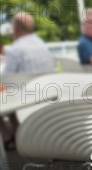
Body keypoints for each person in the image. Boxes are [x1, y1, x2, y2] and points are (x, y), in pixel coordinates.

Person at [1, 12, 53, 149]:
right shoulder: (42, 45)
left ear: (16, 29)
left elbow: (6, 78)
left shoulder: (16, 49)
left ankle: (6, 137)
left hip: (25, 98)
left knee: (3, 91)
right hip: (46, 93)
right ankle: (18, 132)